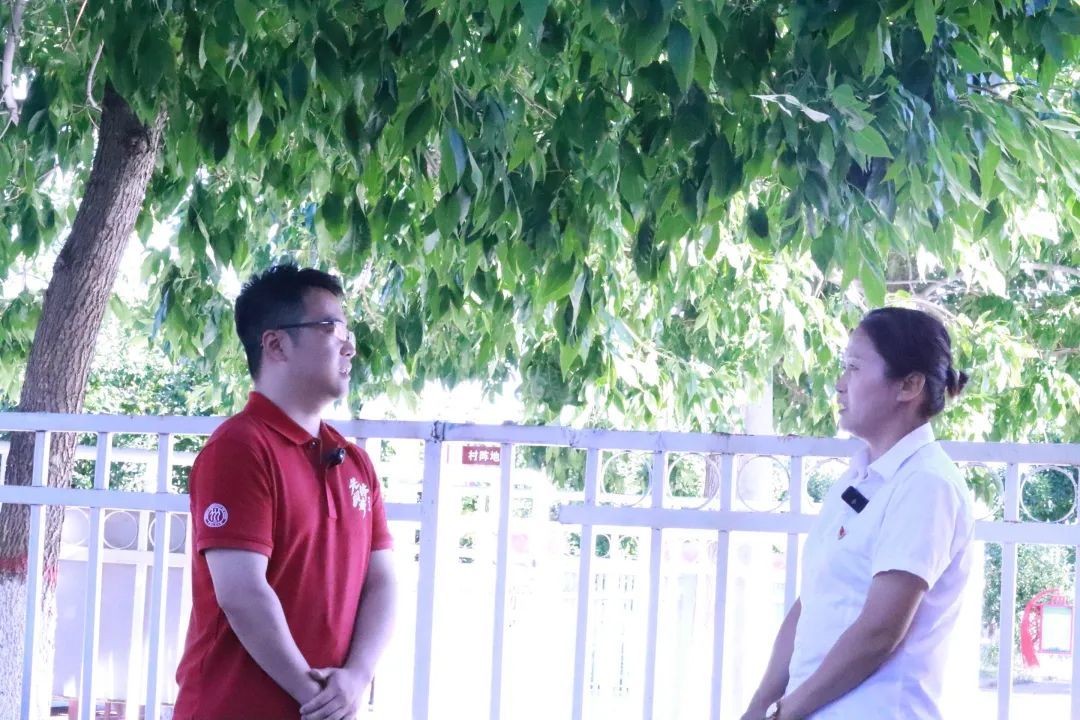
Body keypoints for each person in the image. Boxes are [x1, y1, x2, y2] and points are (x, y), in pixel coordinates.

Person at [174, 264, 396, 720]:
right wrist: (320, 699)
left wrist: (357, 677)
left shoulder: (355, 463)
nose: (350, 346)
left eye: (348, 331)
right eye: (332, 328)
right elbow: (242, 593)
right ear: (276, 344)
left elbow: (383, 581)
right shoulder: (240, 447)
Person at [742, 307, 974, 720]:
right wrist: (761, 706)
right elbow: (812, 602)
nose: (839, 383)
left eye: (854, 367)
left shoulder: (926, 483)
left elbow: (879, 631)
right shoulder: (859, 477)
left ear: (909, 385)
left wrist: (785, 712)